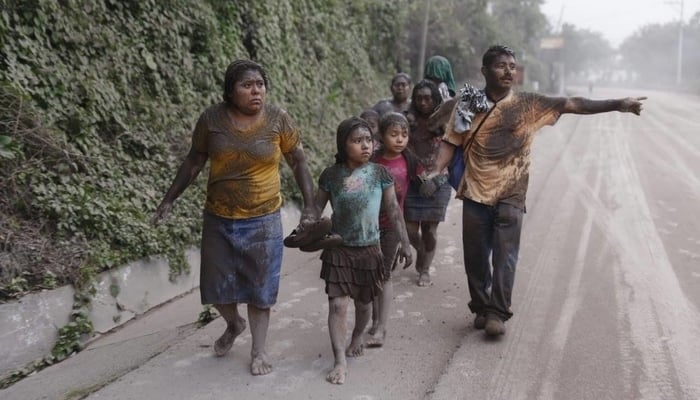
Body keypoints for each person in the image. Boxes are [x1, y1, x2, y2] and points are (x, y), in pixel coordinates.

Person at [427, 45, 646, 337]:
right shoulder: (469, 101)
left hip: (512, 193)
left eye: (512, 66)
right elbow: (452, 141)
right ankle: (481, 306)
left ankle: (497, 313)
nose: (508, 71)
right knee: (475, 257)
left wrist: (618, 103)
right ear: (484, 71)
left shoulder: (530, 103)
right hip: (475, 191)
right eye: (501, 65)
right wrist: (434, 169)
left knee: (506, 255)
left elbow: (573, 103)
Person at [151, 59, 319, 374]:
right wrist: (169, 200)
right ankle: (233, 323)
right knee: (215, 288)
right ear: (230, 91)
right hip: (219, 217)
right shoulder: (211, 120)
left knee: (260, 288)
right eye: (247, 85)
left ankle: (259, 352)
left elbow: (297, 160)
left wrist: (310, 205)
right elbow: (193, 161)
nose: (256, 91)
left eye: (260, 84)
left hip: (263, 217)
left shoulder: (277, 119)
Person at [313, 116, 412, 384]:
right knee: (337, 305)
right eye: (357, 141)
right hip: (339, 249)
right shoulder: (331, 175)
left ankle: (358, 335)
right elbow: (315, 207)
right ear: (343, 145)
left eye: (368, 140)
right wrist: (306, 225)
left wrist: (405, 241)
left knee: (365, 305)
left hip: (370, 249)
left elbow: (393, 209)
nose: (365, 145)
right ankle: (339, 360)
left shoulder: (380, 173)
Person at [366, 112, 419, 347]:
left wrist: (405, 241)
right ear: (381, 136)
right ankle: (375, 320)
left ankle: (381, 328)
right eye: (394, 134)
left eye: (404, 135)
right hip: (366, 226)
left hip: (391, 227)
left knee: (384, 275)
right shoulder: (371, 161)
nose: (400, 139)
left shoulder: (409, 161)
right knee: (370, 276)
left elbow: (403, 203)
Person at [404, 80, 451, 287]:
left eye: (428, 98)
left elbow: (455, 155)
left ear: (436, 100)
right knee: (410, 230)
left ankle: (424, 270)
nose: (423, 102)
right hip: (412, 182)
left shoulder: (447, 123)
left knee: (430, 232)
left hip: (439, 182)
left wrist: (438, 179)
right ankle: (421, 252)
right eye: (419, 98)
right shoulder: (407, 122)